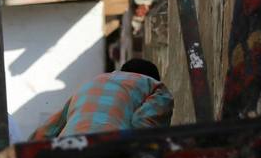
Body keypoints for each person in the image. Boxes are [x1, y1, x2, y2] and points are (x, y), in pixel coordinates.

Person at [30, 57, 174, 139]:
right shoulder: (155, 87)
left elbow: (44, 133)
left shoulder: (89, 84)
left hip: (69, 148)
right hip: (109, 147)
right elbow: (143, 126)